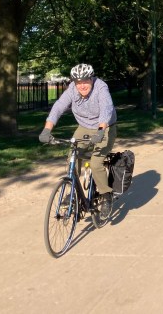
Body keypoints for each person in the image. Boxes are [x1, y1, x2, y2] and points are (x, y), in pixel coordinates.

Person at [39, 64, 117, 214]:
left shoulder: (101, 87)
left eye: (85, 81)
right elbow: (58, 107)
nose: (82, 86)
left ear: (92, 79)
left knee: (95, 163)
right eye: (78, 82)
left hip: (105, 127)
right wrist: (47, 129)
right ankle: (72, 192)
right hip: (84, 127)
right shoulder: (72, 90)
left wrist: (101, 131)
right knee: (72, 157)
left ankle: (106, 195)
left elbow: (107, 108)